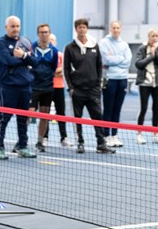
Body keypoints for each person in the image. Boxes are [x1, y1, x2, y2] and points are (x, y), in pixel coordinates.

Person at [62, 18, 114, 154]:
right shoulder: (69, 48)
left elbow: (99, 66)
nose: (82, 29)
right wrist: (71, 87)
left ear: (87, 29)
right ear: (76, 29)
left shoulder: (94, 46)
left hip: (93, 90)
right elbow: (66, 69)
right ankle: (80, 142)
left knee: (98, 117)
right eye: (79, 27)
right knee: (77, 118)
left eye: (84, 27)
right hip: (77, 90)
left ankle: (101, 144)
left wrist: (98, 85)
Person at [0, 15, 37, 160]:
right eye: (12, 26)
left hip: (25, 87)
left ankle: (22, 146)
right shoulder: (1, 44)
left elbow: (35, 61)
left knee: (23, 118)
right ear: (6, 27)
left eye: (17, 26)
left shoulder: (25, 42)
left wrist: (23, 55)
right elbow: (8, 61)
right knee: (4, 118)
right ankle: (0, 147)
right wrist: (24, 59)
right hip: (8, 87)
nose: (15, 29)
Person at [99, 20, 132, 147]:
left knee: (117, 109)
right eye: (113, 27)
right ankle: (106, 135)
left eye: (118, 27)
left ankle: (114, 135)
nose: (116, 30)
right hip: (110, 79)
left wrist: (115, 60)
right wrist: (120, 59)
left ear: (121, 29)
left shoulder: (124, 44)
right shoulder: (103, 42)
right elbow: (106, 59)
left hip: (122, 79)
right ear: (110, 28)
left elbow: (128, 61)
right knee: (108, 108)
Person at [134, 29, 158, 144]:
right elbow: (138, 64)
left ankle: (156, 134)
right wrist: (150, 56)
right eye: (152, 36)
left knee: (156, 109)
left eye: (156, 36)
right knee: (143, 108)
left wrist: (156, 53)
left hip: (157, 83)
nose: (154, 38)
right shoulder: (141, 48)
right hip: (145, 83)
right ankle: (139, 134)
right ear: (148, 37)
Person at [28, 24, 58, 152]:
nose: (44, 34)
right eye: (41, 32)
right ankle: (22, 140)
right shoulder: (32, 48)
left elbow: (54, 67)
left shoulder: (54, 51)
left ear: (49, 33)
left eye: (46, 32)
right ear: (38, 34)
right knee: (28, 114)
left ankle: (40, 141)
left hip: (47, 87)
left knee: (44, 115)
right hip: (33, 86)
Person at [42, 33, 71, 147]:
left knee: (61, 113)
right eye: (49, 40)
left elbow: (63, 69)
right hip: (47, 87)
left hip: (59, 87)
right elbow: (44, 70)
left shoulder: (61, 55)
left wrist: (52, 71)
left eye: (53, 40)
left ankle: (64, 137)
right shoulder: (43, 55)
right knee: (46, 113)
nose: (51, 42)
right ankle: (44, 137)